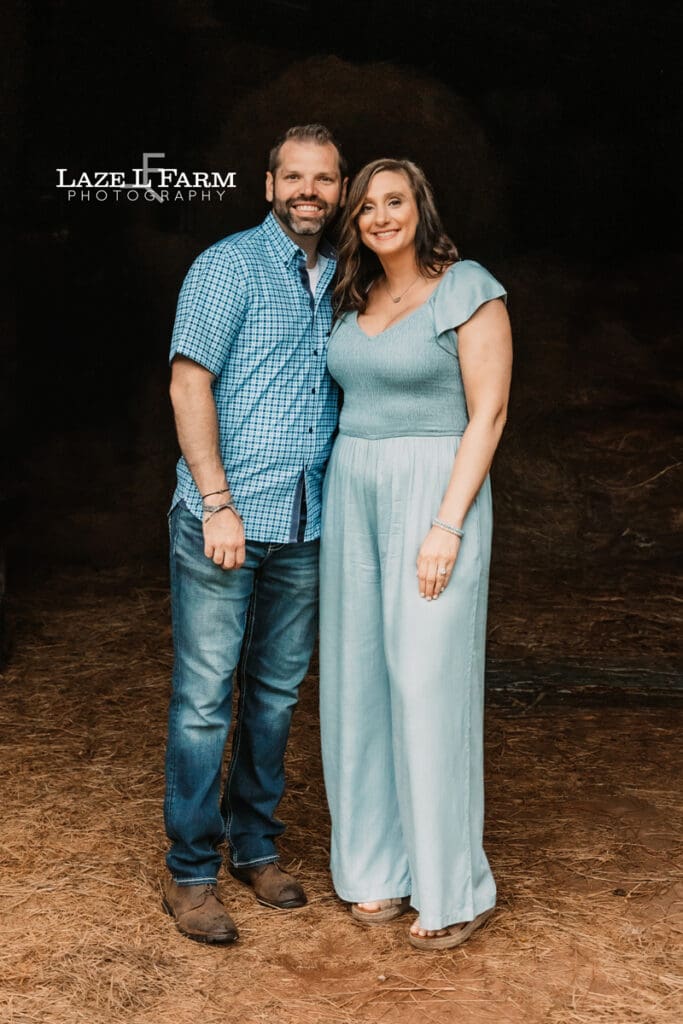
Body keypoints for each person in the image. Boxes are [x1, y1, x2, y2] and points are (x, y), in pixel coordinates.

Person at [319, 158, 512, 951]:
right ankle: (374, 869)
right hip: (351, 488)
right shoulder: (354, 294)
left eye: (394, 201)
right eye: (366, 206)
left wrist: (447, 525)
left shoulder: (468, 287)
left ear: (419, 206)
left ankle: (451, 886)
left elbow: (489, 412)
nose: (380, 216)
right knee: (356, 677)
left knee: (427, 680)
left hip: (433, 488)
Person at [162, 124, 347, 945]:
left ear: (338, 189)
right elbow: (187, 382)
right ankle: (190, 872)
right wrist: (216, 501)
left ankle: (255, 845)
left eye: (324, 179)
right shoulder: (226, 265)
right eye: (294, 177)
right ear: (268, 184)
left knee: (274, 695)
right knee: (205, 699)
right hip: (225, 519)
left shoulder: (346, 278)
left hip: (307, 522)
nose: (309, 190)